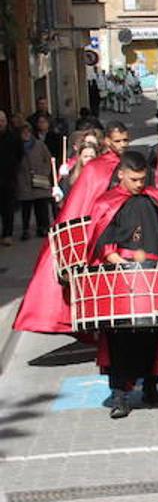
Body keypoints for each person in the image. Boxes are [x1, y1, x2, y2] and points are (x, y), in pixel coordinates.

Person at [84, 151, 158, 418]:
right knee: (119, 338)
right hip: (121, 278)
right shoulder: (107, 203)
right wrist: (126, 267)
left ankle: (151, 388)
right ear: (121, 175)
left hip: (153, 275)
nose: (140, 184)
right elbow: (104, 245)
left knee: (154, 334)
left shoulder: (154, 200)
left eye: (142, 179)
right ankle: (119, 396)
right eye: (134, 179)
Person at [13, 123, 130, 335]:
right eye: (118, 141)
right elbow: (80, 204)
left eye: (125, 140)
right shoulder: (95, 168)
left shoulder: (128, 163)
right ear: (107, 141)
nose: (122, 145)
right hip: (98, 233)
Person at [14, 122, 54, 241]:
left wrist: (45, 172)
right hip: (23, 179)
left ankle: (43, 227)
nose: (26, 134)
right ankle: (25, 229)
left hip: (40, 177)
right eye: (23, 132)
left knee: (41, 204)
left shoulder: (39, 144)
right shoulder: (17, 146)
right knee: (26, 206)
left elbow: (48, 159)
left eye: (28, 132)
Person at [0, 111, 21, 245]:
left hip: (8, 177)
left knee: (8, 207)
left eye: (2, 120)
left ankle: (7, 234)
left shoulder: (13, 137)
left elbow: (20, 154)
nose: (0, 123)